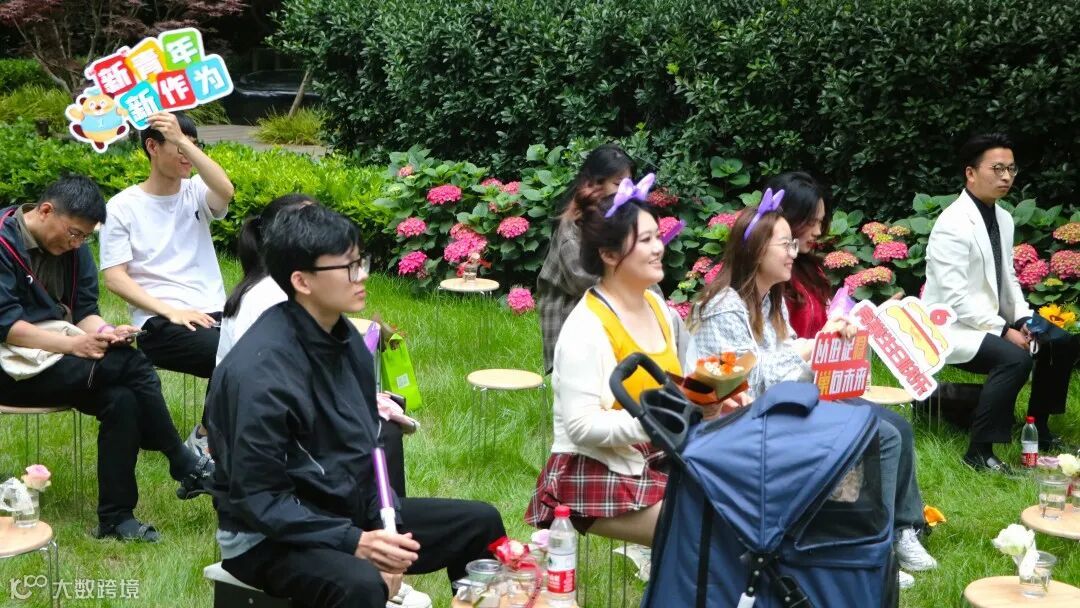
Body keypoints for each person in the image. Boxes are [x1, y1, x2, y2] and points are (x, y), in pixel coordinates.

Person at [208, 204, 504, 608]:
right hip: (266, 537)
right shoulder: (260, 373)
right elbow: (259, 500)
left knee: (480, 523)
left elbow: (366, 454)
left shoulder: (347, 342)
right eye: (347, 267)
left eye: (360, 261)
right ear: (302, 281)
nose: (362, 275)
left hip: (342, 511)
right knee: (361, 584)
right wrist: (357, 543)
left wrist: (388, 527)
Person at [688, 195, 931, 589]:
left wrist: (828, 341)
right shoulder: (724, 306)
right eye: (785, 244)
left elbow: (783, 355)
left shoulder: (768, 298)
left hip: (777, 408)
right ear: (756, 250)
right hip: (740, 425)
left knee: (886, 429)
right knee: (878, 435)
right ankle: (872, 550)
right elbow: (746, 379)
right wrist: (812, 347)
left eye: (792, 243)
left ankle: (882, 540)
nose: (793, 251)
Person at [525, 175, 744, 548]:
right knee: (707, 529)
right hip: (598, 467)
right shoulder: (586, 327)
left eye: (657, 236)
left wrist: (713, 400)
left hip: (659, 454)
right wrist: (658, 423)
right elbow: (581, 427)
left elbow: (678, 387)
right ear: (609, 255)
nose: (659, 248)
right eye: (645, 240)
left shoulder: (657, 307)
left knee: (747, 498)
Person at [0, 176, 213, 542]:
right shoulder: (4, 242)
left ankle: (116, 518)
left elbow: (85, 311)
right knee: (130, 365)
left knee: (122, 398)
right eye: (74, 234)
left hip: (49, 360)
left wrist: (104, 332)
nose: (77, 244)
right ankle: (182, 460)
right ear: (46, 211)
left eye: (85, 237)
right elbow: (6, 326)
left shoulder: (75, 247)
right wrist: (74, 346)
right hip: (9, 368)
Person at [771, 171, 939, 576]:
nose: (818, 232)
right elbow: (782, 351)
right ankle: (876, 540)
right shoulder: (772, 277)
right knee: (881, 436)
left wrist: (856, 324)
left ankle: (904, 528)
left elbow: (825, 328)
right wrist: (823, 341)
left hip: (827, 382)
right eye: (810, 222)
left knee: (900, 428)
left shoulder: (809, 271)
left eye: (821, 221)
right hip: (798, 390)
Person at [923, 133, 1078, 469]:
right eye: (997, 169)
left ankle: (1039, 428)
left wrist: (1022, 320)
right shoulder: (952, 224)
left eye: (1011, 169)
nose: (1006, 177)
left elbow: (1007, 278)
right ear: (970, 173)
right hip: (951, 326)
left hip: (992, 319)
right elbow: (954, 299)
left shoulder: (1003, 218)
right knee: (1014, 359)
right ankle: (979, 452)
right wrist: (1004, 330)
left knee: (1060, 341)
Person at [99, 110, 234, 459]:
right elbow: (114, 277)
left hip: (214, 315)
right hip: (159, 323)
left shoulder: (196, 192)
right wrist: (171, 311)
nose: (187, 154)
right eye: (177, 146)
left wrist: (181, 141)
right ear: (152, 147)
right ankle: (206, 439)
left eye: (193, 145)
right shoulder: (122, 207)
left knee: (263, 348)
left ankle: (228, 439)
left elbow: (226, 190)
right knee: (235, 353)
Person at [536, 144, 635, 373]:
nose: (626, 191)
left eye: (629, 184)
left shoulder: (620, 218)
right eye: (618, 184)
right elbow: (584, 280)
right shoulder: (571, 226)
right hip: (570, 315)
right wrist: (633, 282)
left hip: (611, 304)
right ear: (594, 184)